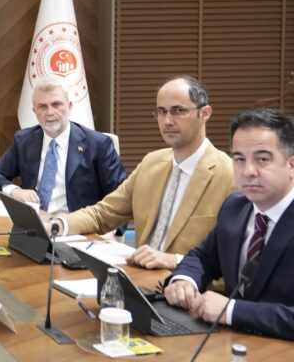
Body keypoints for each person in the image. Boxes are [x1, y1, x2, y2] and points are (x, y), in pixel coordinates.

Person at [54, 76, 236, 269]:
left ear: (204, 113)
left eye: (178, 111)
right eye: (161, 112)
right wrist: (58, 225)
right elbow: (103, 214)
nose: (167, 121)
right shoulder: (151, 163)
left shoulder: (231, 176)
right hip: (138, 277)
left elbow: (234, 262)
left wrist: (174, 260)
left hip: (187, 282)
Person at [164, 108, 294, 340]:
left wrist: (232, 311)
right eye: (239, 159)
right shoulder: (235, 207)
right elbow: (204, 257)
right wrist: (184, 280)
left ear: (291, 165)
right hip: (229, 343)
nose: (248, 171)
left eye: (262, 159)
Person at [0, 79, 126, 213]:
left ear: (69, 106)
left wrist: (109, 228)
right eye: (42, 106)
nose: (50, 112)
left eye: (56, 104)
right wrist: (15, 191)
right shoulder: (25, 141)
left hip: (78, 225)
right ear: (34, 111)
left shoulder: (97, 144)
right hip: (34, 223)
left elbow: (122, 196)